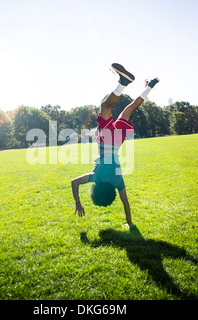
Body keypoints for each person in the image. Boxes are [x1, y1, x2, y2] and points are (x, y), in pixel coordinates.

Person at [71, 63, 159, 229]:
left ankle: (149, 87)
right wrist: (78, 203)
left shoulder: (118, 181)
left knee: (130, 108)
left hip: (117, 141)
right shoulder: (95, 177)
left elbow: (125, 202)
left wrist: (129, 222)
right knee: (105, 106)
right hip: (106, 140)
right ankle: (123, 83)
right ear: (95, 191)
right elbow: (74, 182)